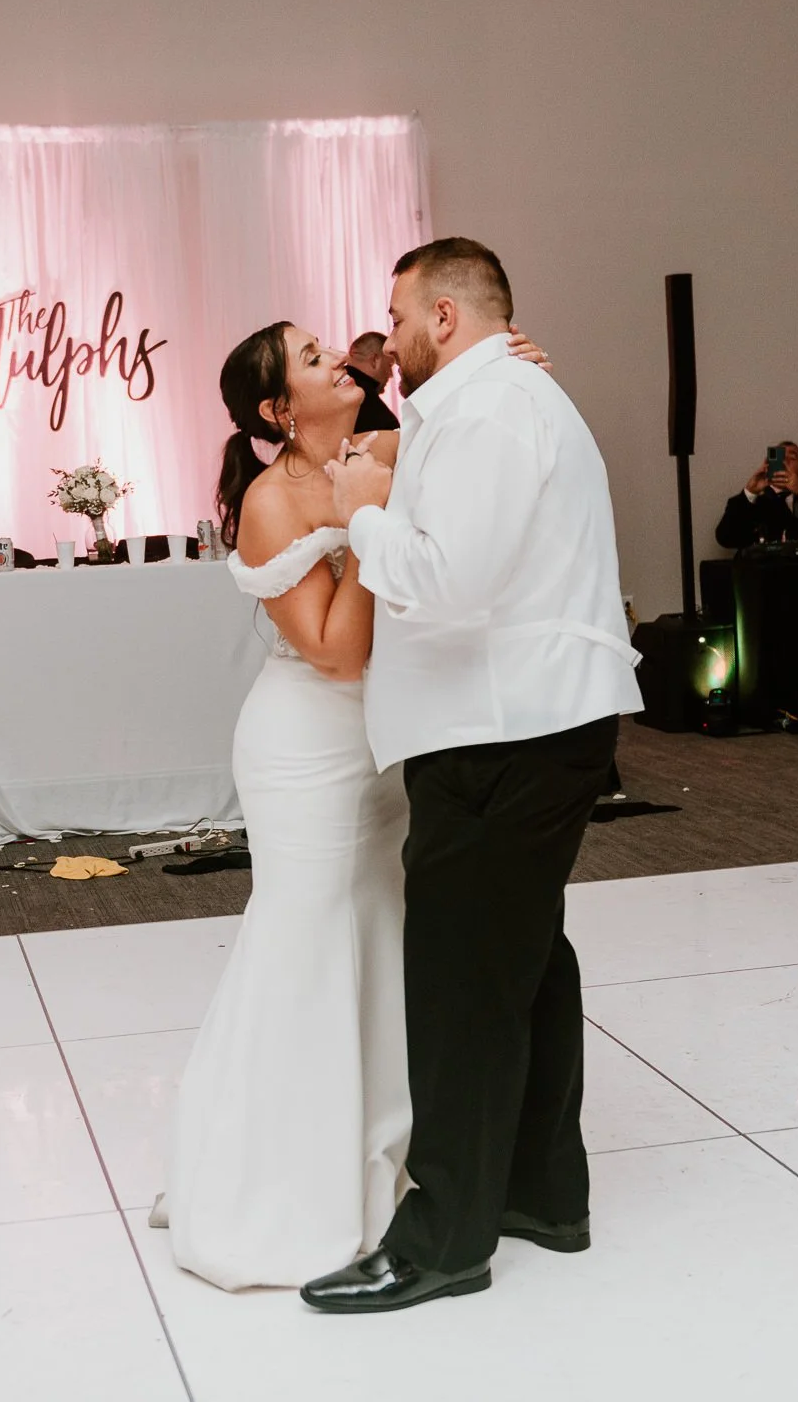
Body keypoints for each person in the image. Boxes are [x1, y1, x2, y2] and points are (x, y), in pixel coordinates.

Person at [153, 316, 550, 1291]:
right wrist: (370, 527)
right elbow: (335, 647)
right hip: (306, 747)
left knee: (385, 928)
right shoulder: (272, 499)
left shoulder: (380, 445)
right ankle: (288, 1172)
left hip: (388, 741)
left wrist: (512, 369)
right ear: (278, 410)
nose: (342, 359)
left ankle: (401, 1146)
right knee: (312, 931)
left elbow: (470, 441)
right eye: (314, 359)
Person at [300, 237, 642, 1314]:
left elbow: (448, 581)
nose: (384, 337)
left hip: (506, 732)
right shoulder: (488, 400)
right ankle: (543, 1192)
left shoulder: (497, 409)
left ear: (444, 317)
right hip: (514, 723)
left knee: (459, 984)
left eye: (397, 316)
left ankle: (442, 1238)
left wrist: (358, 514)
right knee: (524, 964)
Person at [715, 442, 798, 549]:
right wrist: (749, 492)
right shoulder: (752, 502)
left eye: (792, 458)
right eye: (781, 457)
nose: (785, 461)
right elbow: (725, 538)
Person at [347, 330, 400, 433]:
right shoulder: (383, 420)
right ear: (375, 360)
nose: (391, 374)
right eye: (389, 365)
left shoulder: (328, 391)